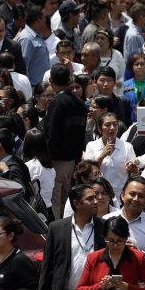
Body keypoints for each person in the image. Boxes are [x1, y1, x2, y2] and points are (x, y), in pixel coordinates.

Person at [37, 183, 105, 290]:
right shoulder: (57, 228)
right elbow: (47, 269)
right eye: (90, 199)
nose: (96, 201)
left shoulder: (104, 227)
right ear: (76, 203)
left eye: (95, 197)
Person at [75, 216, 145, 290]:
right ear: (104, 238)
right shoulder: (93, 258)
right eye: (111, 241)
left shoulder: (138, 257)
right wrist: (100, 287)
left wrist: (129, 288)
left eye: (120, 240)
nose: (115, 245)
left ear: (126, 238)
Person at [45, 63, 88, 217]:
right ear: (69, 81)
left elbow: (52, 133)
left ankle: (59, 233)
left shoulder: (57, 103)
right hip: (72, 161)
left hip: (56, 162)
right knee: (66, 200)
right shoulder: (80, 104)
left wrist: (48, 160)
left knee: (56, 201)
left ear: (51, 80)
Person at [103, 176, 145, 250]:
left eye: (141, 196)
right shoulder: (105, 220)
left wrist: (137, 252)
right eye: (132, 194)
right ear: (122, 195)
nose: (136, 199)